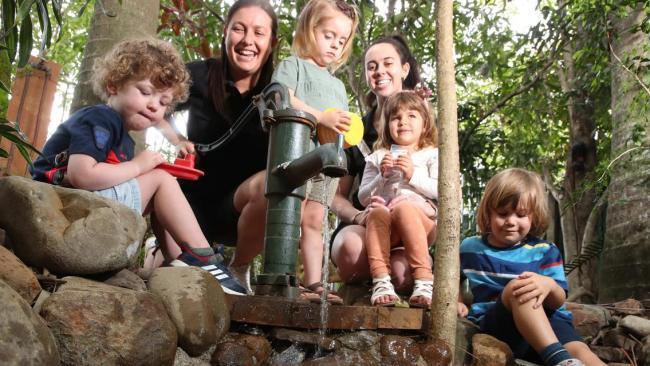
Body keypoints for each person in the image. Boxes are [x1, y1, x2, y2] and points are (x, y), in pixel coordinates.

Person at [30, 38, 247, 295]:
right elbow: (82, 174)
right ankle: (203, 257)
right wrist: (139, 166)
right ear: (113, 85)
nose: (155, 105)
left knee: (161, 186)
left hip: (82, 205)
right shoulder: (100, 119)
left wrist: (144, 165)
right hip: (61, 208)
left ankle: (182, 261)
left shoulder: (121, 134)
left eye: (164, 102)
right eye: (145, 92)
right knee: (161, 181)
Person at [159, 0, 279, 294]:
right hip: (190, 203)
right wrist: (177, 139)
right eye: (239, 29)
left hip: (241, 210)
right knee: (175, 283)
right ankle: (161, 251)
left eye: (259, 33)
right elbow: (153, 105)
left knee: (273, 182)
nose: (248, 40)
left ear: (272, 42)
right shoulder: (198, 75)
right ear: (225, 32)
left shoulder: (277, 89)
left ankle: (239, 266)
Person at [457, 168, 604, 366]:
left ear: (533, 216)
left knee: (579, 350)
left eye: (521, 214)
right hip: (501, 325)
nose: (511, 221)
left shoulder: (545, 250)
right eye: (502, 213)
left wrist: (549, 285)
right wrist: (457, 301)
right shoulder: (470, 248)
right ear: (488, 213)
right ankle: (558, 359)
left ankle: (564, 357)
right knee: (520, 287)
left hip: (548, 321)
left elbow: (559, 299)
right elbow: (452, 278)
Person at [330, 35, 432, 297]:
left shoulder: (424, 121)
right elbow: (336, 196)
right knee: (351, 252)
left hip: (412, 222)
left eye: (388, 63)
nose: (379, 71)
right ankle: (375, 280)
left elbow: (444, 189)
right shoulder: (357, 130)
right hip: (370, 222)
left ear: (404, 69)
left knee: (403, 274)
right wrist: (358, 215)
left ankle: (404, 276)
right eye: (371, 66)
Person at [271, 0, 358, 304]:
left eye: (342, 40)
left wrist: (346, 133)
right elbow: (283, 97)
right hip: (296, 156)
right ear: (310, 30)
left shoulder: (337, 85)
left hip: (327, 161)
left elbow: (338, 126)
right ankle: (282, 278)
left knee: (314, 220)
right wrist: (320, 116)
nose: (335, 44)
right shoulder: (293, 65)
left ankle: (314, 283)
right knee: (289, 215)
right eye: (328, 35)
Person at [357, 91, 438, 307]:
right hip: (388, 229)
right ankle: (381, 280)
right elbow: (363, 196)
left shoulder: (432, 154)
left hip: (422, 226)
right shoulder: (377, 157)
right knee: (376, 212)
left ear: (425, 124)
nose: (403, 122)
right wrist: (380, 179)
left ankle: (424, 281)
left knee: (405, 209)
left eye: (412, 116)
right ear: (387, 125)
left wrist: (413, 175)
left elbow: (442, 191)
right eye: (396, 117)